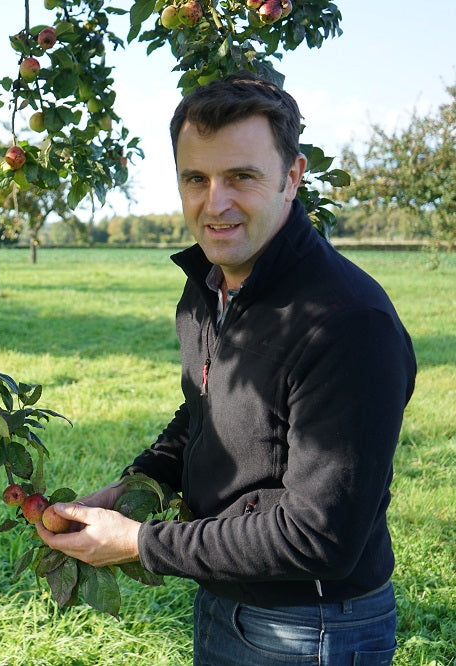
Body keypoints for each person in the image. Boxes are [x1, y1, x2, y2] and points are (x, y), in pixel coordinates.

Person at [38, 72, 416, 665]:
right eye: (196, 178)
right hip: (222, 600)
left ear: (292, 178)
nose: (214, 203)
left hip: (309, 629)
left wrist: (141, 543)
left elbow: (320, 538)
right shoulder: (208, 288)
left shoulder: (347, 323)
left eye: (241, 176)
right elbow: (205, 411)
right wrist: (139, 486)